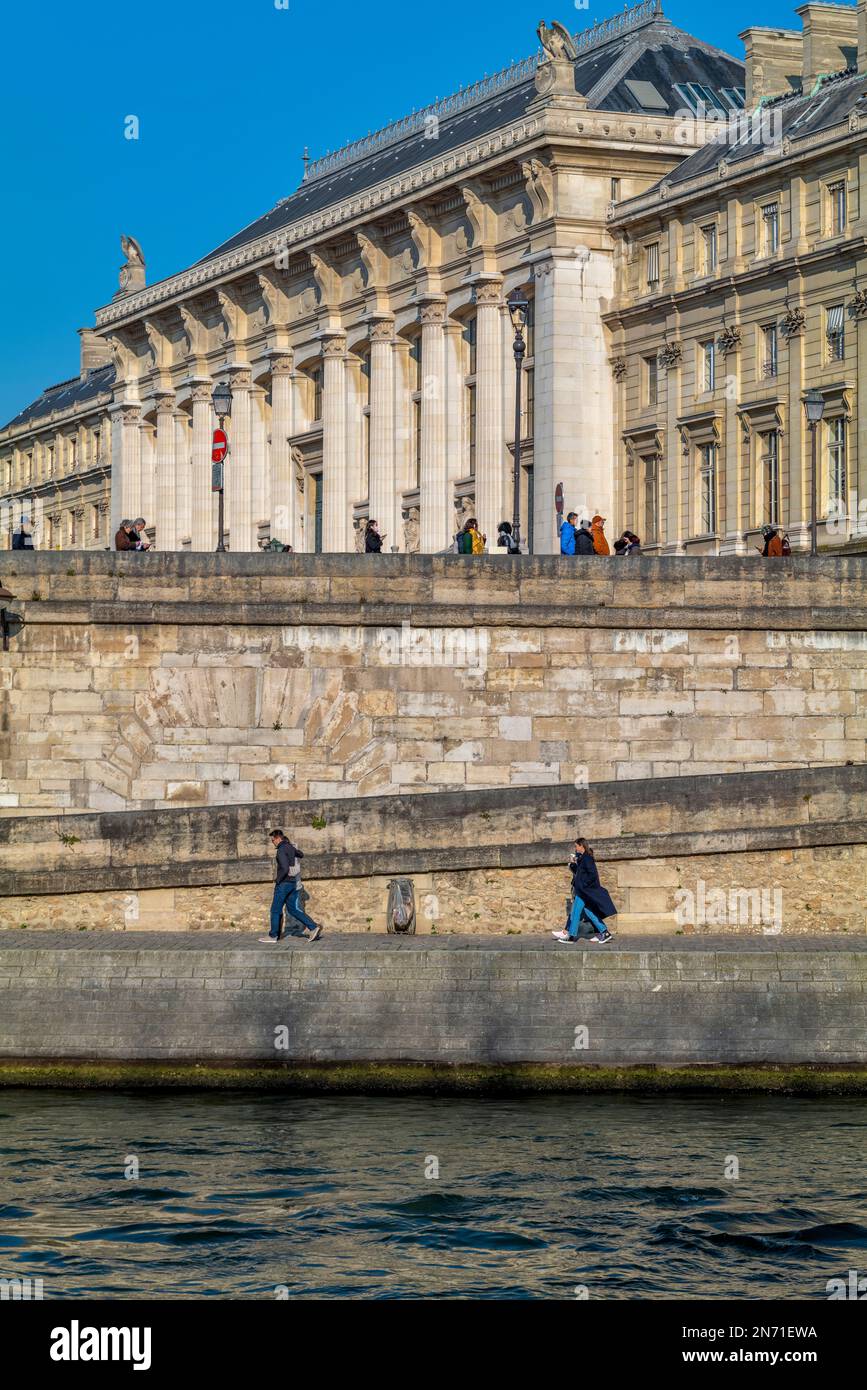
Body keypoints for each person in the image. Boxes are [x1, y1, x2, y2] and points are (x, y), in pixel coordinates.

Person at [259, 829, 323, 943]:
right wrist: (292, 851)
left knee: (275, 910)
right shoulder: (290, 847)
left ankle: (273, 936)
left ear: (278, 838)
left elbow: (284, 868)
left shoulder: (281, 850)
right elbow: (301, 854)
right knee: (293, 909)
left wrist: (278, 880)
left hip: (284, 884)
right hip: (293, 883)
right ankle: (313, 927)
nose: (272, 842)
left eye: (273, 840)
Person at [553, 839, 615, 944]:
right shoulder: (582, 858)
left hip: (583, 891)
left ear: (581, 846)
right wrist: (572, 864)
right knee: (588, 912)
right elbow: (581, 874)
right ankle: (605, 932)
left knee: (575, 912)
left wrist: (583, 886)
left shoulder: (587, 858)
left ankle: (571, 936)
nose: (575, 848)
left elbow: (592, 875)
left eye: (576, 846)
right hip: (583, 891)